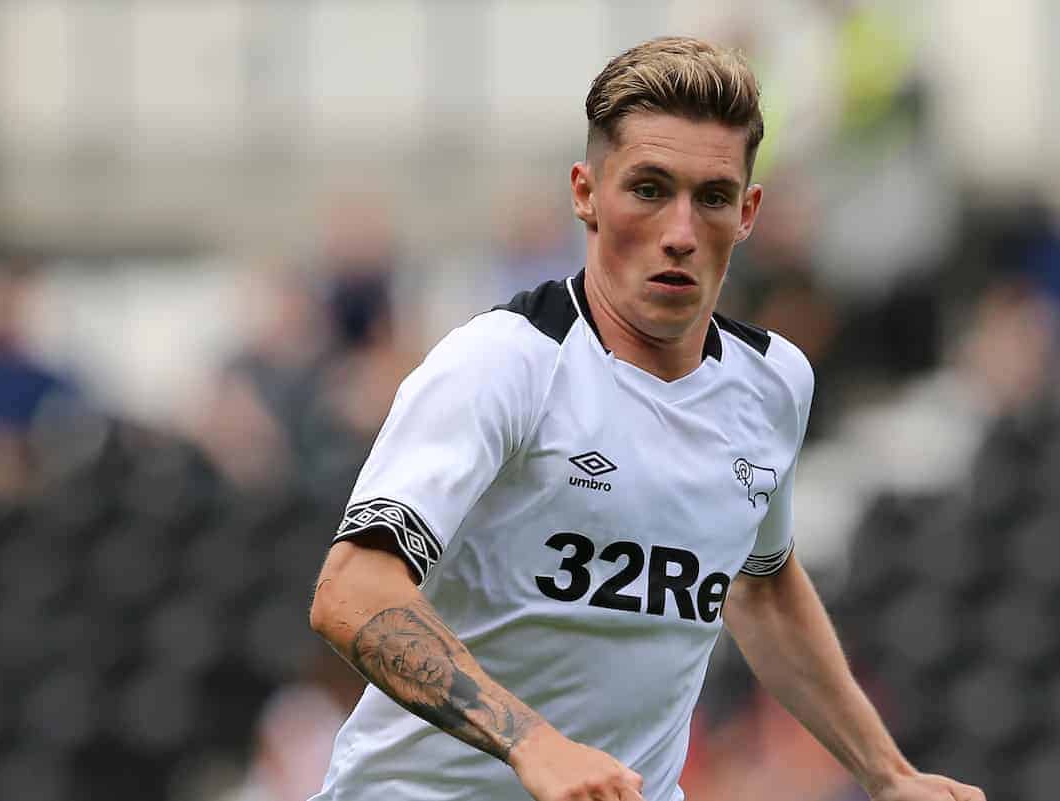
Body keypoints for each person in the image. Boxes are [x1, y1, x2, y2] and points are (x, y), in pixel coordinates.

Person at [307, 36, 985, 801]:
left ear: (748, 212)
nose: (680, 231)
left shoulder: (774, 383)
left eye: (713, 197)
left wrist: (886, 773)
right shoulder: (502, 363)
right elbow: (352, 589)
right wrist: (534, 744)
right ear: (585, 193)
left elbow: (759, 584)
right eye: (649, 188)